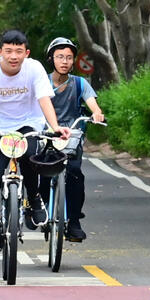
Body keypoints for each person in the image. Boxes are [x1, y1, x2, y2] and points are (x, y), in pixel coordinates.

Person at [0, 29, 70, 263]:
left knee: (31, 156)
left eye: (18, 52)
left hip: (27, 124)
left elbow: (44, 100)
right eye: (8, 51)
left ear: (26, 53)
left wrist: (55, 126)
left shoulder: (35, 68)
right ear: (0, 52)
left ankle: (33, 197)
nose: (13, 56)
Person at [43, 37, 105, 242]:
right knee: (39, 171)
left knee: (75, 174)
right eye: (60, 57)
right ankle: (37, 209)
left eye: (69, 58)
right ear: (51, 58)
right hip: (45, 135)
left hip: (72, 136)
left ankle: (74, 221)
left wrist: (96, 113)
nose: (65, 61)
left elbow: (92, 103)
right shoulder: (40, 81)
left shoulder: (80, 83)